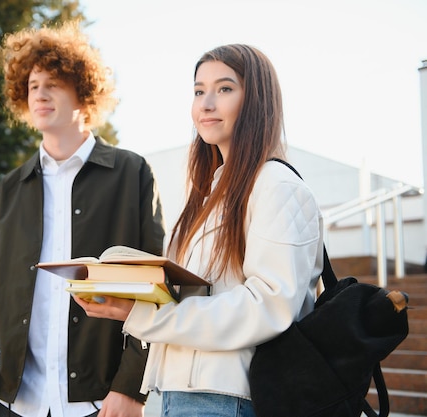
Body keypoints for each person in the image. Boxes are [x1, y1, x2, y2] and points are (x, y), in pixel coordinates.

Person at [75, 44, 325, 417]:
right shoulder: (208, 193)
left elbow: (269, 306)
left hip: (231, 398)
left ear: (257, 101)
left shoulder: (276, 185)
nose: (206, 103)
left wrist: (145, 316)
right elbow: (199, 291)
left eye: (224, 89)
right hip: (182, 393)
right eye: (198, 90)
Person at [0, 21, 165, 417]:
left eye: (54, 83)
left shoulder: (131, 173)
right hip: (13, 403)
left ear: (83, 90)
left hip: (98, 404)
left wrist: (130, 388)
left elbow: (154, 289)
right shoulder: (11, 188)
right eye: (33, 85)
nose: (41, 94)